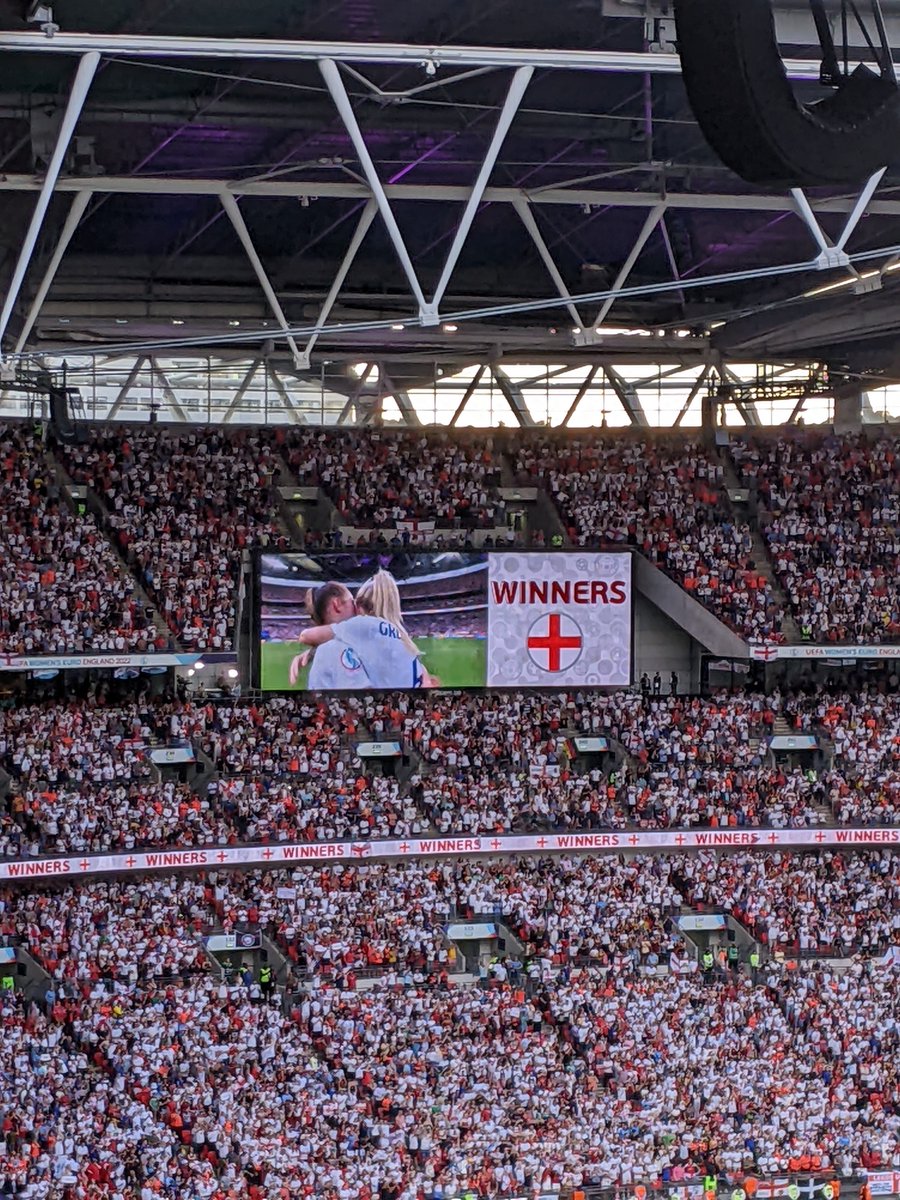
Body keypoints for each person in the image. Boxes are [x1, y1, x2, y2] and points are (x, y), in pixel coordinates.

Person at [290, 571, 437, 690]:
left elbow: (306, 636)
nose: (353, 609)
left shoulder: (358, 628)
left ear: (361, 606)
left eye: (354, 603)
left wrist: (316, 651)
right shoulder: (402, 646)